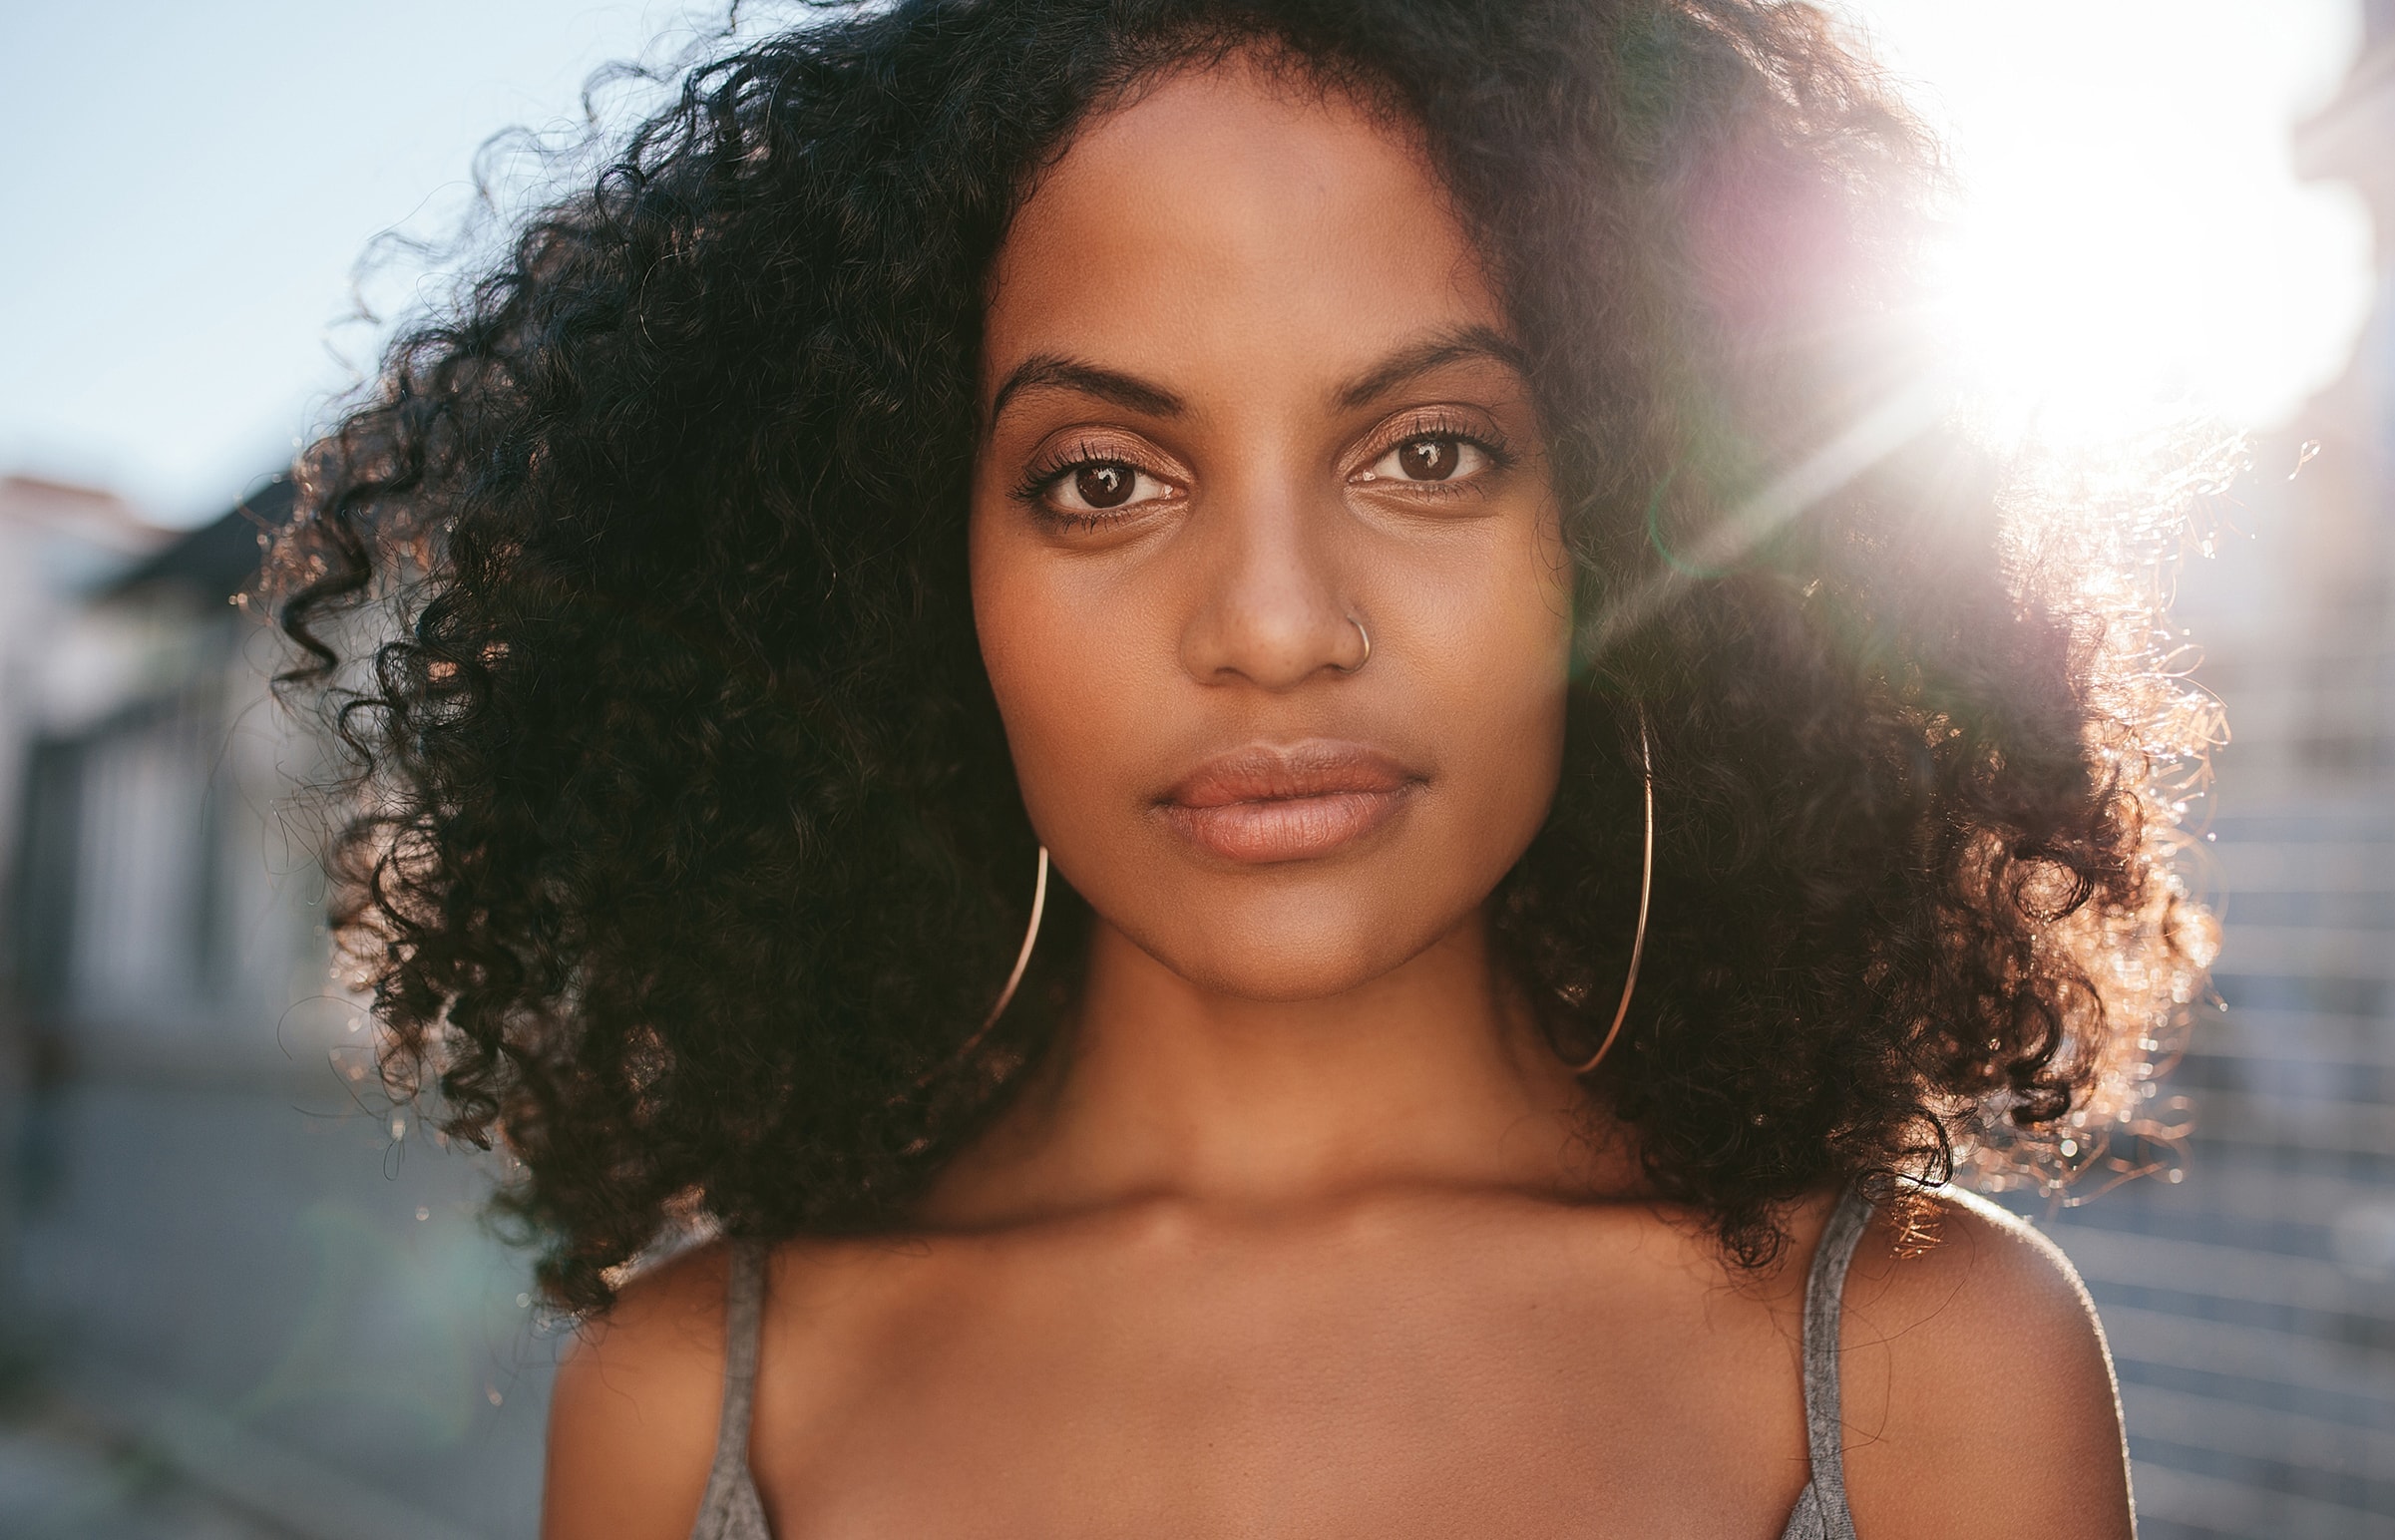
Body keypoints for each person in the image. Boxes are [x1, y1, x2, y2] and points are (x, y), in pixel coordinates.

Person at [270, 1, 2210, 1534]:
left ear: (1635, 527)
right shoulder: (689, 1406)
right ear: (898, 576)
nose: (1273, 622)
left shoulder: (1924, 1373)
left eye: (1430, 451)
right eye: (1102, 480)